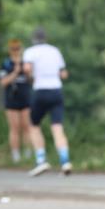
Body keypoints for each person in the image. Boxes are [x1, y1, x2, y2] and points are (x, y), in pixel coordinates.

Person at [23, 27, 72, 176]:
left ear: (34, 39)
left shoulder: (30, 52)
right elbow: (63, 73)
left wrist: (32, 78)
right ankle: (65, 161)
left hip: (41, 90)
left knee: (33, 125)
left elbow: (26, 68)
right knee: (57, 127)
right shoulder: (55, 51)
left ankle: (41, 160)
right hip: (56, 90)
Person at [0, 39, 32, 164]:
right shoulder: (6, 64)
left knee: (27, 127)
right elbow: (2, 82)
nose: (16, 51)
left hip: (26, 99)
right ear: (9, 50)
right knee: (14, 128)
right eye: (13, 48)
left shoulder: (26, 63)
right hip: (11, 100)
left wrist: (27, 73)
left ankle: (28, 154)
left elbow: (32, 80)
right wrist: (15, 73)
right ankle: (15, 155)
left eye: (18, 48)